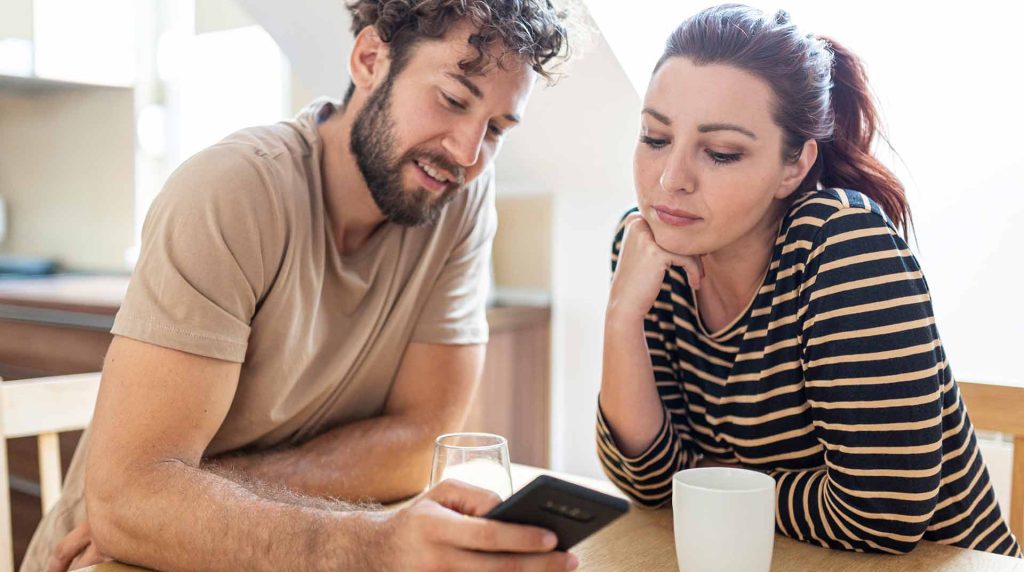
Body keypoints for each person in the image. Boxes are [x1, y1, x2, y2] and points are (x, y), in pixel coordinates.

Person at [24, 1, 581, 571]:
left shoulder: (458, 202)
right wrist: (371, 545)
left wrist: (186, 498)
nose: (467, 153)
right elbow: (129, 505)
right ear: (369, 60)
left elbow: (422, 440)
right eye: (453, 100)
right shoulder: (231, 192)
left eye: (496, 129)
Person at [596, 3, 1021, 557]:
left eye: (721, 153)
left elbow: (880, 515)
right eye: (654, 137)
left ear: (794, 167)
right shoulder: (650, 253)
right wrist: (621, 319)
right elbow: (651, 485)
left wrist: (707, 481)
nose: (670, 179)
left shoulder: (843, 246)